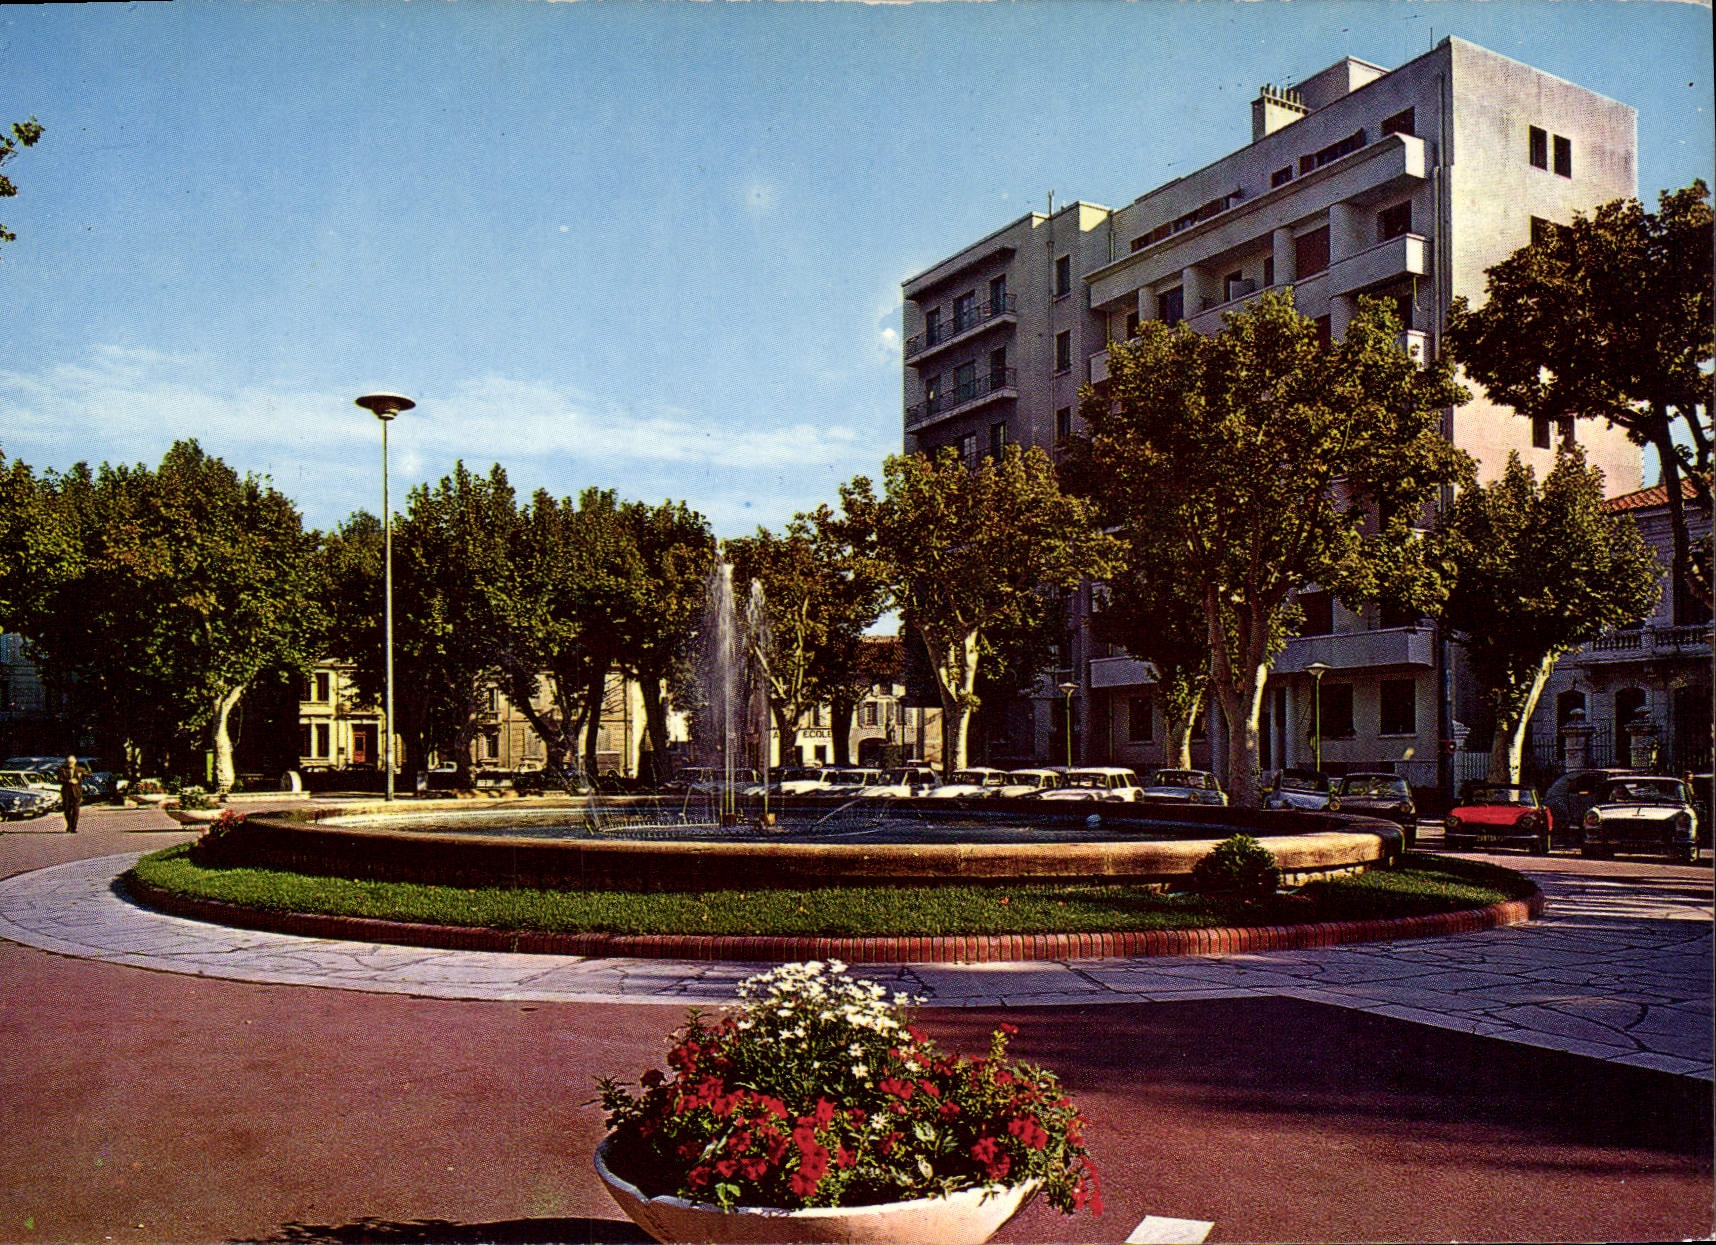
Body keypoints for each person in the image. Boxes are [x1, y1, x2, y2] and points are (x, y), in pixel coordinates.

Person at [56, 755, 88, 833]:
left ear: (75, 762)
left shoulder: (80, 769)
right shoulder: (62, 770)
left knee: (75, 810)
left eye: (71, 762)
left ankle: (73, 828)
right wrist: (68, 781)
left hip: (76, 793)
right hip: (66, 793)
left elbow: (90, 774)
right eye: (68, 762)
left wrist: (81, 775)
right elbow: (59, 780)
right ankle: (69, 825)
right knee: (67, 810)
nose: (70, 763)